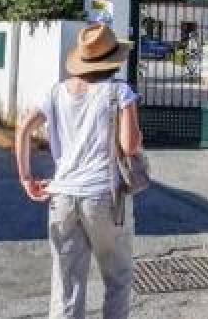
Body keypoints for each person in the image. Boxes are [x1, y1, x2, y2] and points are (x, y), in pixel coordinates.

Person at [15, 23, 143, 319]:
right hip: (104, 197)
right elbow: (130, 145)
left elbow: (23, 129)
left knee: (66, 285)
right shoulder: (120, 92)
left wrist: (26, 178)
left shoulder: (56, 92)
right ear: (112, 60)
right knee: (118, 278)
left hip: (62, 196)